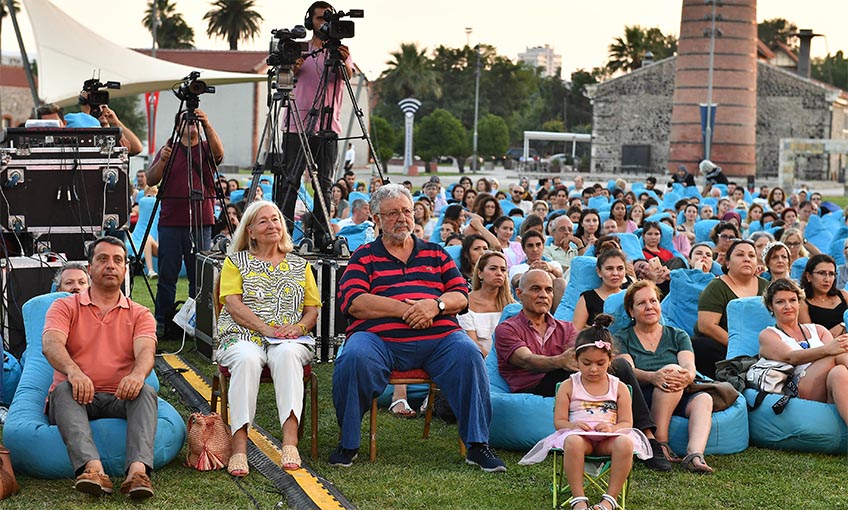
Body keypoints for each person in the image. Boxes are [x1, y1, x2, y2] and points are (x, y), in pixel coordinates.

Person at [332, 184, 506, 472]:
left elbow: (461, 296)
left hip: (439, 339)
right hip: (379, 340)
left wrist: (435, 306)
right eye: (392, 213)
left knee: (469, 354)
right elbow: (354, 302)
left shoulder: (436, 253)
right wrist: (407, 310)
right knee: (354, 357)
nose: (402, 218)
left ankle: (477, 445)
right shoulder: (363, 256)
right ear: (376, 219)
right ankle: (348, 443)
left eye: (406, 211)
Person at [495, 269, 671, 472]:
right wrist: (560, 361)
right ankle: (648, 440)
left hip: (573, 381)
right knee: (618, 366)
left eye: (548, 290)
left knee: (618, 364)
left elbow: (584, 358)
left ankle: (649, 439)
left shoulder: (565, 328)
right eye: (536, 289)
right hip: (535, 386)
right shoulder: (507, 328)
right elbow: (526, 360)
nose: (544, 295)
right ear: (519, 293)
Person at [42, 236, 157, 498]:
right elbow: (51, 344)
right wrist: (74, 372)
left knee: (146, 392)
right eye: (102, 259)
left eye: (118, 260)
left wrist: (137, 375)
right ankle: (93, 471)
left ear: (125, 269)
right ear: (90, 268)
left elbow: (146, 351)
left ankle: (137, 474)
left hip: (119, 397)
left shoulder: (140, 313)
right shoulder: (64, 306)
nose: (110, 266)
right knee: (63, 390)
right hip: (75, 396)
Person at [215, 201, 318, 474]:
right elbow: (232, 304)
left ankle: (290, 443)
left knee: (287, 354)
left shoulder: (300, 265)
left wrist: (299, 328)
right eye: (263, 221)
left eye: (275, 220)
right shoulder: (235, 262)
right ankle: (239, 447)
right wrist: (265, 329)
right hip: (241, 335)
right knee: (247, 358)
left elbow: (312, 310)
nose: (272, 225)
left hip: (288, 338)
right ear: (250, 231)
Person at [518, 315, 651, 510]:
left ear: (610, 360)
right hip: (580, 438)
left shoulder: (619, 387)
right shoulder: (568, 385)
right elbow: (559, 421)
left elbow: (626, 423)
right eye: (587, 363)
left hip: (608, 439)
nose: (593, 369)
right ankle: (579, 499)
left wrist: (612, 428)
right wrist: (573, 426)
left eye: (600, 363)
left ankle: (610, 500)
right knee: (572, 441)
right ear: (575, 359)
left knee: (625, 443)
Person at [615, 280, 715, 473]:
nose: (649, 306)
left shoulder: (677, 335)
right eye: (641, 303)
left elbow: (688, 365)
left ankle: (694, 454)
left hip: (677, 390)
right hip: (643, 395)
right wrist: (653, 377)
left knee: (704, 399)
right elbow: (628, 370)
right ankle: (660, 442)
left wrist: (688, 376)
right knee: (670, 371)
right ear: (631, 311)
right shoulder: (622, 337)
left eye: (653, 301)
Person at [278, 0, 355, 251]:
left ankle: (321, 236)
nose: (324, 22)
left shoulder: (340, 50)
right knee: (290, 181)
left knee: (324, 183)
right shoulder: (299, 49)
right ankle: (284, 234)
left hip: (328, 125)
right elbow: (283, 80)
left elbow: (347, 77)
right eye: (320, 17)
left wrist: (342, 60)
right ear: (310, 20)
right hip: (297, 125)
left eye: (328, 17)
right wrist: (293, 66)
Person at [147, 108, 224, 338]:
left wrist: (206, 123)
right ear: (177, 126)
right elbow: (151, 179)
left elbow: (219, 154)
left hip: (201, 221)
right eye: (186, 121)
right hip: (171, 221)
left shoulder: (206, 147)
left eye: (194, 121)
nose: (191, 124)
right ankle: (163, 321)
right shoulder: (168, 149)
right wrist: (163, 160)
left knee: (199, 278)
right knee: (167, 275)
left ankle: (195, 323)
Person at [759, 278, 848, 427]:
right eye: (780, 302)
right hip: (800, 386)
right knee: (837, 353)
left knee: (839, 372)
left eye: (792, 300)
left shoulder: (818, 330)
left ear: (799, 302)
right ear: (770, 306)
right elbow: (791, 357)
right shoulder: (768, 335)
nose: (788, 306)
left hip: (827, 383)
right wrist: (828, 349)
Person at [692, 239, 768, 378]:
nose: (746, 259)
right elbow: (706, 326)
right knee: (701, 346)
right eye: (740, 255)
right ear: (727, 263)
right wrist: (741, 348)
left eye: (751, 255)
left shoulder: (767, 287)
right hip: (725, 345)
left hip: (760, 347)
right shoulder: (716, 287)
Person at [458, 250, 515, 357]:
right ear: (480, 273)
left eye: (503, 270)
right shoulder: (466, 302)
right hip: (478, 359)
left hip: (508, 359)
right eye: (493, 268)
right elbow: (472, 343)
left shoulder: (511, 305)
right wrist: (493, 362)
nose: (499, 273)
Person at [573, 249, 627, 331]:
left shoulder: (630, 296)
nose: (615, 273)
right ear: (599, 272)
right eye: (609, 268)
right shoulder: (587, 298)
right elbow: (575, 331)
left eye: (620, 268)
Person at [508, 231, 564, 309]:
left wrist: (550, 269)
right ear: (523, 249)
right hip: (526, 305)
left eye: (538, 245)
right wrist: (531, 272)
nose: (535, 249)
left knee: (559, 281)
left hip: (551, 304)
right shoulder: (517, 268)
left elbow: (559, 274)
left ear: (543, 246)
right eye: (530, 246)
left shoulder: (553, 264)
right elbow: (516, 281)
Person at [77, 90, 143, 156]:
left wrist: (116, 122)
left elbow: (137, 149)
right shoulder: (83, 133)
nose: (101, 111)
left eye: (103, 107)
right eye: (96, 108)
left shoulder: (116, 137)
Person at [799, 254, 848, 337]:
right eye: (822, 273)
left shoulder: (843, 295)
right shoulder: (802, 303)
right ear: (809, 276)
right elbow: (811, 338)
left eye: (831, 274)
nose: (827, 279)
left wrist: (843, 325)